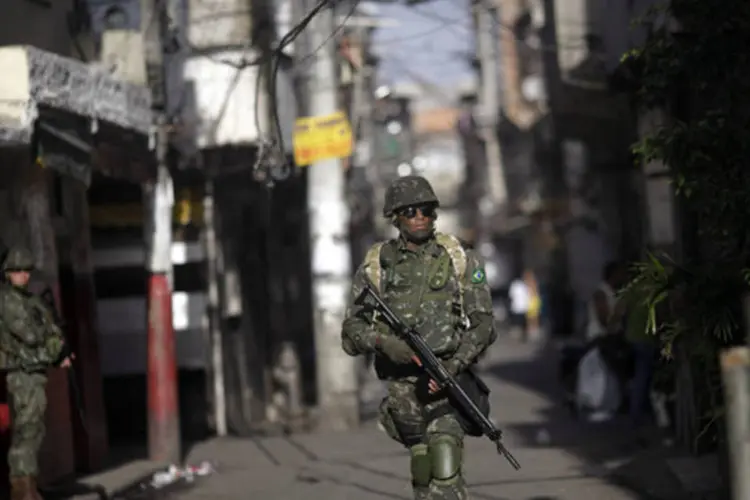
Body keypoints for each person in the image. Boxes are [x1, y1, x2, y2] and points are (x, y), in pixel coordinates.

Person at [341, 175, 496, 500]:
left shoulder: (461, 258)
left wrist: (454, 365)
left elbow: (484, 324)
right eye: (410, 211)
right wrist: (385, 344)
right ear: (395, 218)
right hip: (402, 390)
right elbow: (351, 332)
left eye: (426, 209)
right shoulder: (376, 267)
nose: (420, 217)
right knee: (423, 471)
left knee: (445, 463)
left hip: (447, 382)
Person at [0, 247, 73, 500]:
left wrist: (58, 350)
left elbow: (52, 330)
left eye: (26, 271)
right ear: (8, 273)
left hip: (34, 369)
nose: (23, 275)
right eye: (17, 271)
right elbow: (31, 335)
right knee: (27, 429)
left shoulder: (31, 301)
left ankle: (28, 484)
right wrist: (53, 346)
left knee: (35, 428)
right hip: (21, 371)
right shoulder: (8, 300)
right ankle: (22, 489)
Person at [507, 274, 529, 340]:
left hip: (517, 306)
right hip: (523, 306)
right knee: (522, 320)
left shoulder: (514, 285)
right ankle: (522, 333)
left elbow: (511, 295)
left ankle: (518, 333)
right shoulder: (524, 285)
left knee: (517, 320)